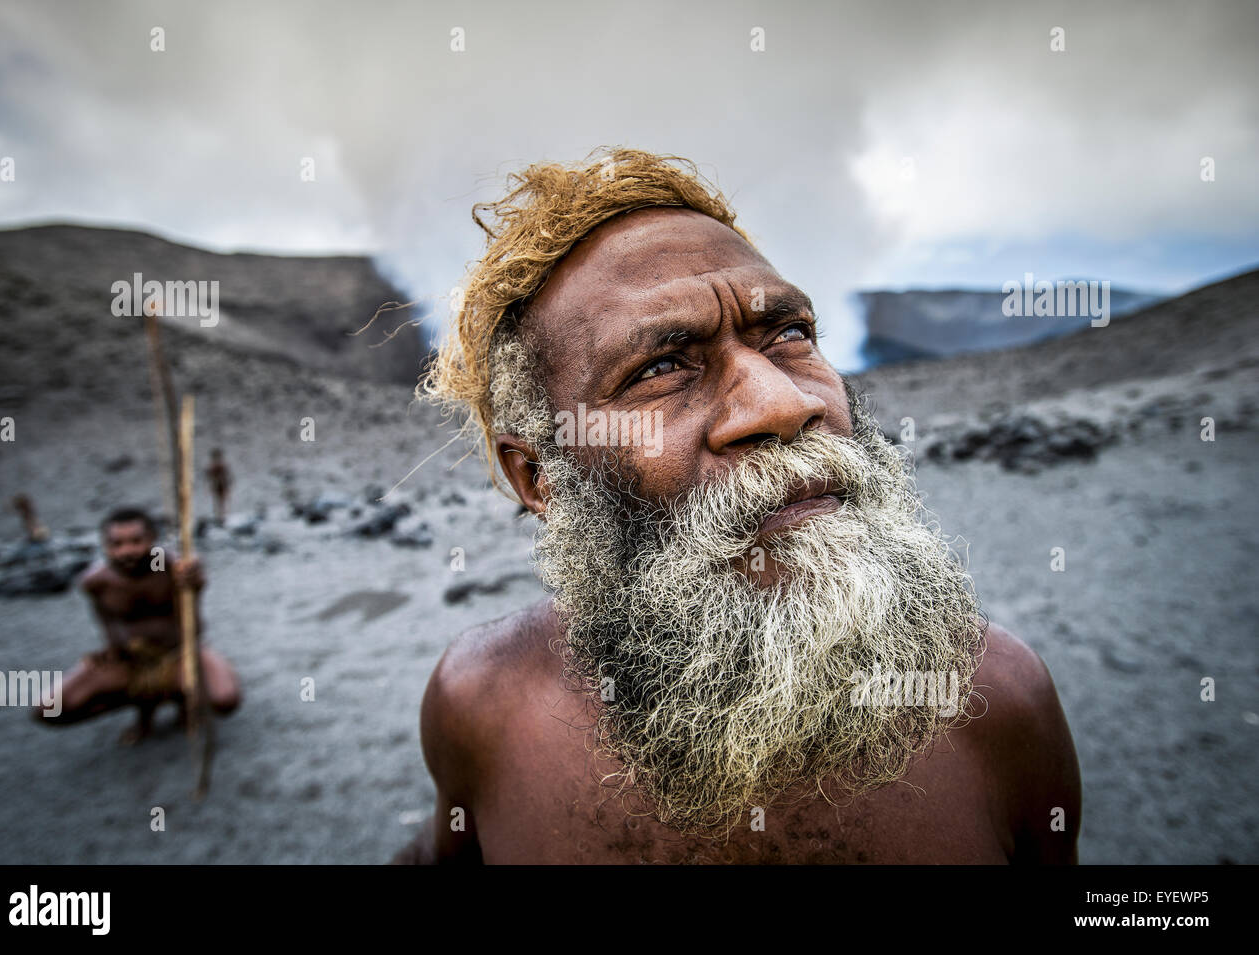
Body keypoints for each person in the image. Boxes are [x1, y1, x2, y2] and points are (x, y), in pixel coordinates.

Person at [394, 148, 1081, 864]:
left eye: (789, 334)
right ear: (541, 477)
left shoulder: (994, 701)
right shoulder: (484, 706)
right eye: (660, 368)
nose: (786, 403)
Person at [36, 507, 241, 744]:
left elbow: (181, 573)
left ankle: (183, 701)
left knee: (225, 699)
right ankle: (140, 705)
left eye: (136, 541)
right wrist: (114, 653)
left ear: (152, 540)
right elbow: (108, 623)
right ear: (104, 545)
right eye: (116, 544)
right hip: (130, 662)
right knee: (49, 709)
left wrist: (193, 582)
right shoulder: (96, 581)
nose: (127, 551)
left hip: (179, 655)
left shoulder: (167, 567)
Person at [206, 448, 232, 525]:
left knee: (222, 502)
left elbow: (227, 476)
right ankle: (219, 517)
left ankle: (222, 517)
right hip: (218, 486)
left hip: (221, 485)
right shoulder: (214, 467)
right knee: (217, 502)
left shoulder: (221, 466)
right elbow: (210, 476)